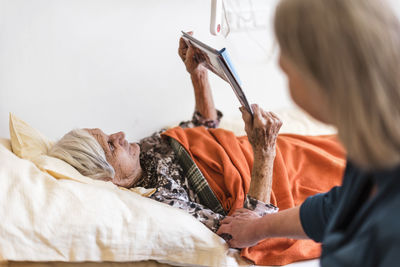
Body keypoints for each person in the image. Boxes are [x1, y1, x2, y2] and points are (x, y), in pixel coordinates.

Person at [48, 33, 344, 242]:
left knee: (356, 147)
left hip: (276, 150)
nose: (121, 135)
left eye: (109, 134)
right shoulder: (162, 203)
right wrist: (265, 151)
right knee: (363, 180)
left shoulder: (146, 148)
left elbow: (203, 127)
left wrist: (198, 73)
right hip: (277, 178)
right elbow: (242, 231)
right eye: (111, 145)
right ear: (108, 179)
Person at [217, 0, 400, 266]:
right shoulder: (373, 143)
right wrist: (259, 228)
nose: (280, 64)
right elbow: (341, 205)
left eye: (285, 50)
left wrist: (265, 152)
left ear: (326, 74)